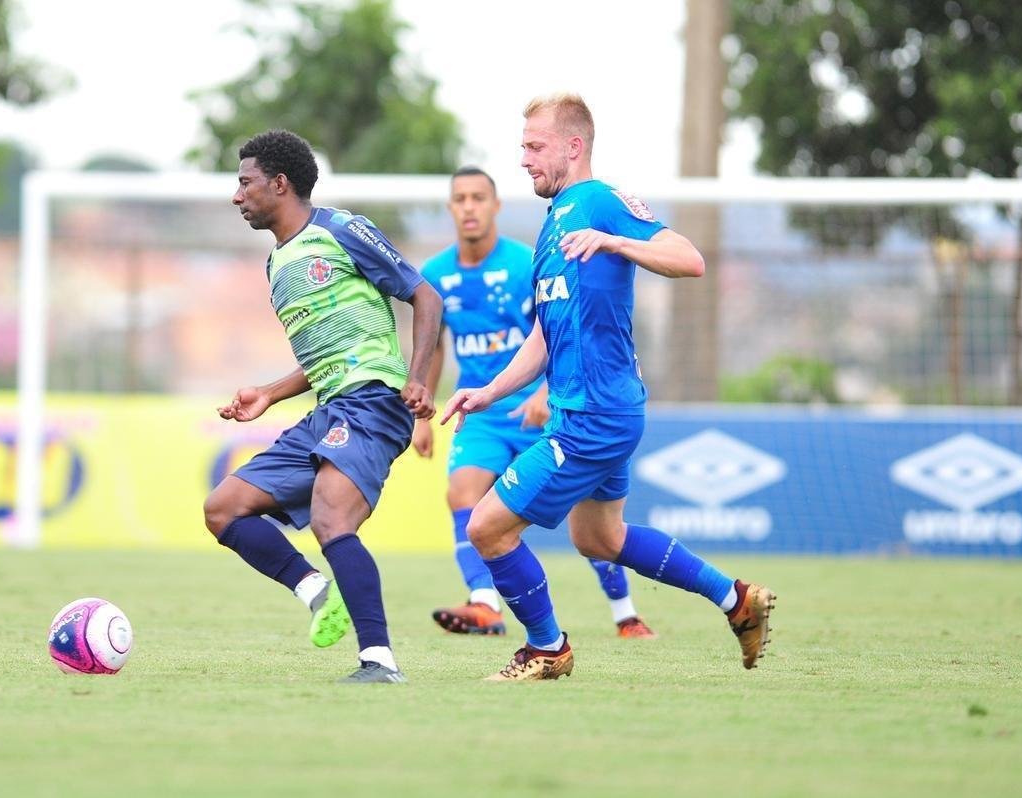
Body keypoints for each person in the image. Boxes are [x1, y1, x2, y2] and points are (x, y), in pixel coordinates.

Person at [441, 94, 777, 681]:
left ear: (574, 147)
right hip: (598, 409)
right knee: (599, 537)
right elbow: (546, 336)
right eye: (523, 146)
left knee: (487, 526)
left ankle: (547, 649)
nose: (524, 159)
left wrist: (616, 242)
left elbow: (688, 258)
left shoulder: (598, 202)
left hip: (592, 413)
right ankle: (736, 600)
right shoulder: (553, 226)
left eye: (534, 146)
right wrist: (492, 391)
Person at [204, 129, 442, 683]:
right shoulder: (276, 264)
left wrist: (419, 378)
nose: (237, 196)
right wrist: (269, 392)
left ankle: (379, 662)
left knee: (330, 516)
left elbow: (425, 296)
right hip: (329, 408)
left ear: (279, 184)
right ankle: (315, 590)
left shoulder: (342, 230)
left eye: (245, 183)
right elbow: (324, 358)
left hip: (375, 401)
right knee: (223, 509)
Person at [415, 166, 655, 639]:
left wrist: (546, 392)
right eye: (460, 198)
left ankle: (625, 612)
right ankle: (484, 604)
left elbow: (559, 329)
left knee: (586, 516)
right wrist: (422, 414)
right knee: (462, 493)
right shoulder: (436, 274)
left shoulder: (527, 263)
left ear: (495, 206)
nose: (469, 207)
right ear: (450, 208)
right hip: (482, 412)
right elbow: (435, 344)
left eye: (478, 198)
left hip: (540, 406)